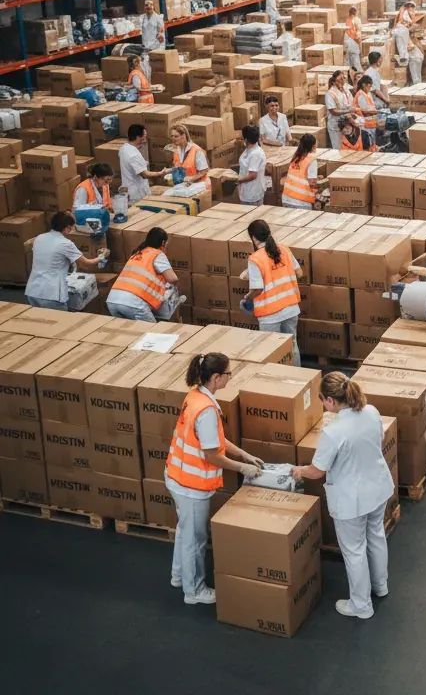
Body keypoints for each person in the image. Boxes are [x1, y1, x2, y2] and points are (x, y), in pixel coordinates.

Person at [291, 373, 394, 619]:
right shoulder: (371, 411)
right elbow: (377, 442)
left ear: (329, 401)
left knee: (354, 550)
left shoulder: (333, 432)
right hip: (378, 488)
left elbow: (317, 471)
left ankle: (361, 605)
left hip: (352, 500)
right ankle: (380, 586)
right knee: (376, 535)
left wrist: (299, 471)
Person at [165, 352, 262, 606]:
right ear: (217, 378)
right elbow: (211, 455)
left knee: (184, 531)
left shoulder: (196, 396)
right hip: (191, 485)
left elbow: (214, 439)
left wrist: (243, 453)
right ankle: (194, 590)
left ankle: (178, 576)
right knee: (195, 540)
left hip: (176, 475)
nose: (231, 377)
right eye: (228, 373)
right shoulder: (206, 410)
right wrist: (242, 468)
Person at [244, 219, 302, 365]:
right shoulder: (284, 249)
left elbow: (257, 289)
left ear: (253, 237)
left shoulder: (255, 259)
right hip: (291, 308)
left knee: (272, 351)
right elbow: (300, 273)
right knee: (292, 346)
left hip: (270, 315)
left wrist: (247, 298)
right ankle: (299, 380)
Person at [25, 211, 106, 310]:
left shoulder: (39, 238)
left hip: (33, 291)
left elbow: (49, 258)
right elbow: (86, 264)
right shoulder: (65, 243)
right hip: (51, 294)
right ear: (67, 228)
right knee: (60, 323)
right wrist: (101, 257)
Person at [107, 226, 178, 322]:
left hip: (113, 300)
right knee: (152, 334)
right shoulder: (157, 254)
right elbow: (173, 279)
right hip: (133, 302)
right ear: (163, 243)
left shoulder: (137, 253)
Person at [119, 124, 163, 203]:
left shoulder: (123, 148)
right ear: (138, 137)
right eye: (144, 136)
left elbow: (131, 164)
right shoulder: (133, 154)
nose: (145, 140)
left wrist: (143, 163)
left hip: (129, 190)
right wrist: (161, 173)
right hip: (137, 195)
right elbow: (145, 174)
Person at [281, 133, 321, 209]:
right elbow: (312, 182)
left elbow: (299, 175)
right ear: (313, 146)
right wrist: (318, 195)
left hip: (286, 198)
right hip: (301, 201)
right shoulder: (311, 159)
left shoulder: (296, 157)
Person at [170, 124, 210, 192]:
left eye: (176, 136)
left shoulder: (196, 150)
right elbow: (178, 167)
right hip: (186, 186)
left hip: (200, 186)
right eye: (172, 136)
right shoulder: (176, 150)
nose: (173, 139)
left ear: (184, 136)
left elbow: (204, 171)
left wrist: (192, 178)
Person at [236, 125, 268, 206]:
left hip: (252, 194)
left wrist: (237, 179)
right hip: (246, 191)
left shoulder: (255, 154)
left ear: (246, 139)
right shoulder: (249, 149)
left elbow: (252, 175)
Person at [325, 69, 353, 149]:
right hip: (336, 126)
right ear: (334, 82)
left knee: (347, 148)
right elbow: (333, 111)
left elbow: (351, 103)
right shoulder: (330, 94)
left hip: (347, 124)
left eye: (343, 78)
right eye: (340, 79)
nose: (342, 81)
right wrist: (348, 111)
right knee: (338, 149)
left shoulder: (346, 91)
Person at [343, 6, 363, 72]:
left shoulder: (347, 20)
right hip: (353, 42)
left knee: (348, 61)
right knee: (355, 61)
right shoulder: (356, 20)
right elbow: (358, 33)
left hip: (349, 41)